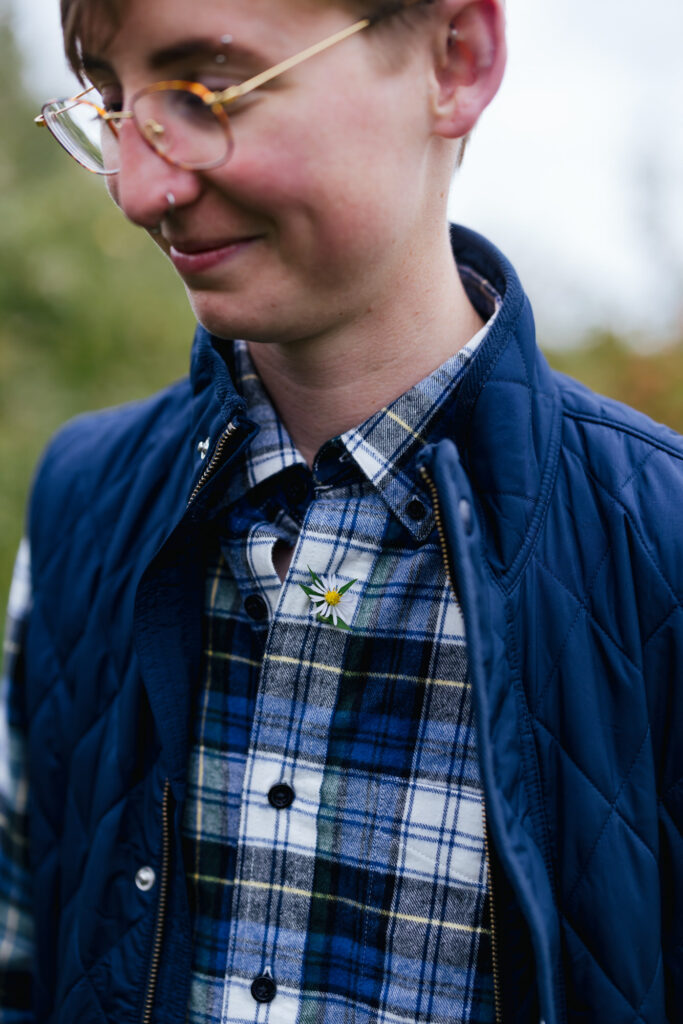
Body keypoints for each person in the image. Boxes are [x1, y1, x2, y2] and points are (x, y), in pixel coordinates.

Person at [1, 0, 681, 1020]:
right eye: (109, 103)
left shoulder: (659, 547)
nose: (141, 189)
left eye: (205, 91)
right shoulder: (82, 501)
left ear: (454, 58)